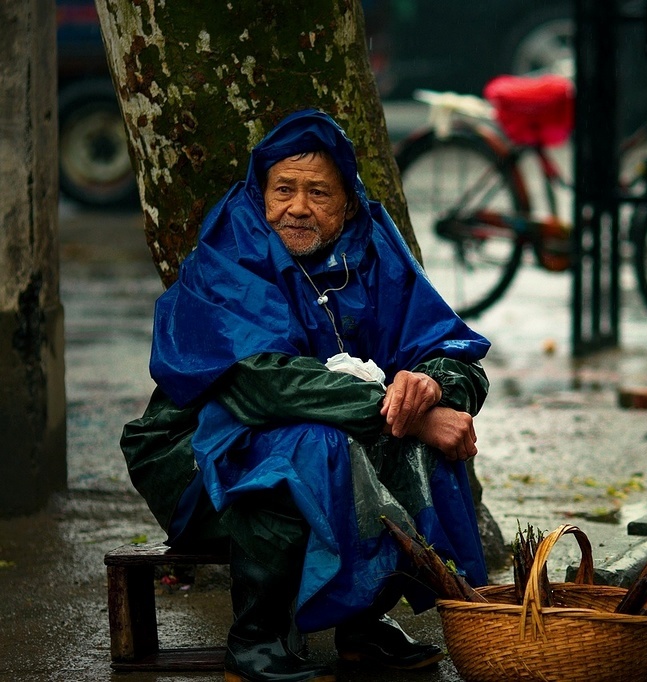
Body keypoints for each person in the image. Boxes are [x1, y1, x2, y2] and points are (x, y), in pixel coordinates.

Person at [120, 109, 491, 682]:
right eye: (283, 189)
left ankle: (363, 625)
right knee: (312, 447)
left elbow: (451, 347)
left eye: (318, 192)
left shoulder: (371, 250)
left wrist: (432, 386)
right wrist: (405, 416)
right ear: (259, 193)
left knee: (421, 448)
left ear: (347, 201)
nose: (297, 207)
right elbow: (261, 382)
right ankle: (254, 639)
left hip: (329, 432)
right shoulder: (230, 252)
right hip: (195, 451)